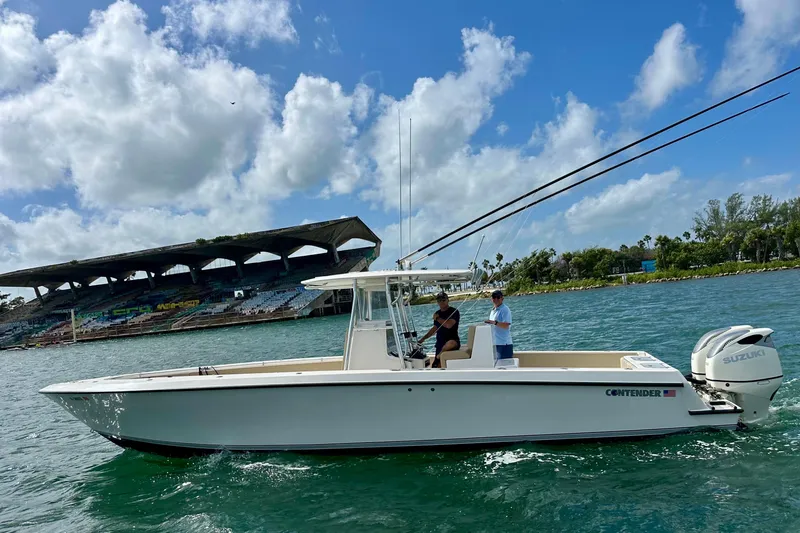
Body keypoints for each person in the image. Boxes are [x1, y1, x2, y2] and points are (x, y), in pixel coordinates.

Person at [418, 292, 461, 368]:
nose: (441, 302)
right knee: (435, 366)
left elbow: (449, 325)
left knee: (451, 343)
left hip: (452, 341)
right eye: (439, 300)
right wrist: (423, 339)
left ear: (448, 300)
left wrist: (437, 318)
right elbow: (435, 329)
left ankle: (439, 355)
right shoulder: (437, 313)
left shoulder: (454, 311)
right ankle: (438, 358)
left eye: (443, 300)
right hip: (440, 343)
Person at [485, 289, 512, 361]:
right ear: (491, 299)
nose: (496, 299)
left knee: (503, 365)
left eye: (498, 297)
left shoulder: (505, 309)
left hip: (504, 344)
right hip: (495, 344)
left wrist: (495, 322)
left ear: (502, 298)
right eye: (494, 297)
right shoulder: (493, 310)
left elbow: (506, 325)